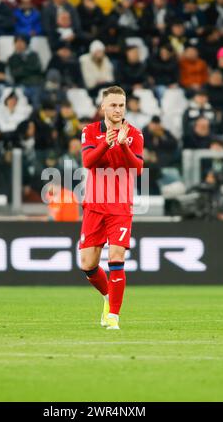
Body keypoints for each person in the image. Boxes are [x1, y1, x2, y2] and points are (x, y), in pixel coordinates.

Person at [79, 85, 143, 330]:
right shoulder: (90, 131)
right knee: (87, 264)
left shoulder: (135, 134)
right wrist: (106, 143)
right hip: (94, 205)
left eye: (121, 105)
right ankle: (108, 296)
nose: (118, 109)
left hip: (119, 206)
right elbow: (88, 162)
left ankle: (113, 317)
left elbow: (137, 169)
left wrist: (124, 145)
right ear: (103, 107)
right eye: (113, 105)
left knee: (116, 258)